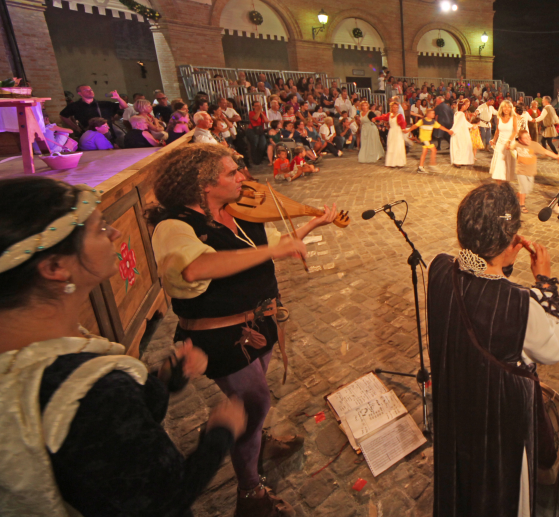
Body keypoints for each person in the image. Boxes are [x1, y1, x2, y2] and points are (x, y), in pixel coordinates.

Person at [0, 178, 248, 517]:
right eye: (99, 228)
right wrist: (220, 432)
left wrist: (164, 380)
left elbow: (104, 444)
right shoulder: (89, 393)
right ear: (55, 267)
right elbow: (161, 501)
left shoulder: (34, 345)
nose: (115, 233)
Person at [149, 144, 340, 515]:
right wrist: (274, 252)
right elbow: (195, 269)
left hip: (260, 325)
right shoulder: (174, 226)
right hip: (220, 337)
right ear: (203, 185)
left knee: (255, 405)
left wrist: (311, 224)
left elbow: (262, 250)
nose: (243, 177)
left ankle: (258, 441)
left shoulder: (239, 209)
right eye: (231, 173)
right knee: (255, 403)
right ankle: (251, 493)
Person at [427, 182, 559, 517]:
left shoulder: (438, 267)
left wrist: (501, 263)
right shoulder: (520, 306)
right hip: (498, 428)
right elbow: (556, 346)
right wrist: (546, 283)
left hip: (456, 409)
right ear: (511, 244)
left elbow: (478, 280)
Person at [510, 128, 559, 212]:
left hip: (531, 172)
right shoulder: (517, 144)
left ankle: (517, 195)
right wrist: (508, 146)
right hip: (520, 171)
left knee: (528, 189)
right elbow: (511, 147)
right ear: (520, 140)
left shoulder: (535, 145)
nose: (528, 139)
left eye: (529, 137)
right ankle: (521, 204)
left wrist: (558, 157)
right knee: (524, 188)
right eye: (525, 138)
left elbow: (546, 152)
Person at [59, 85, 127, 136]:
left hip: (106, 133)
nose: (90, 91)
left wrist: (118, 98)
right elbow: (63, 116)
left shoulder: (104, 104)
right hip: (88, 134)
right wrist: (75, 127)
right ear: (79, 93)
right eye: (86, 90)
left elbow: (124, 106)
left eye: (91, 89)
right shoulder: (75, 105)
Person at [405, 108, 453, 174]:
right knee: (434, 150)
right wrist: (408, 130)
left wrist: (448, 131)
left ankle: (420, 167)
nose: (434, 114)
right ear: (428, 114)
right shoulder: (422, 121)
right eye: (432, 113)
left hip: (427, 139)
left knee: (424, 153)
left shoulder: (433, 122)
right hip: (424, 139)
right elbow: (415, 126)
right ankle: (432, 165)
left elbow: (440, 127)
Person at [490, 100, 520, 182]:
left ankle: (505, 183)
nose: (507, 109)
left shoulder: (514, 117)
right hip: (500, 144)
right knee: (499, 164)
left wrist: (509, 141)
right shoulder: (499, 117)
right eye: (505, 107)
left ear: (511, 109)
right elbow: (497, 131)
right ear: (501, 108)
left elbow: (515, 131)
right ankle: (499, 184)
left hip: (509, 145)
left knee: (507, 165)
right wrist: (494, 139)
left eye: (509, 107)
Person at [373, 101, 408, 168]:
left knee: (398, 146)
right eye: (394, 107)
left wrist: (403, 129)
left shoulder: (399, 115)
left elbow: (403, 123)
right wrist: (375, 118)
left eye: (396, 107)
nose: (395, 108)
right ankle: (391, 162)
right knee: (391, 146)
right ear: (391, 108)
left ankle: (399, 162)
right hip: (392, 132)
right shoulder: (389, 115)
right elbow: (382, 117)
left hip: (398, 132)